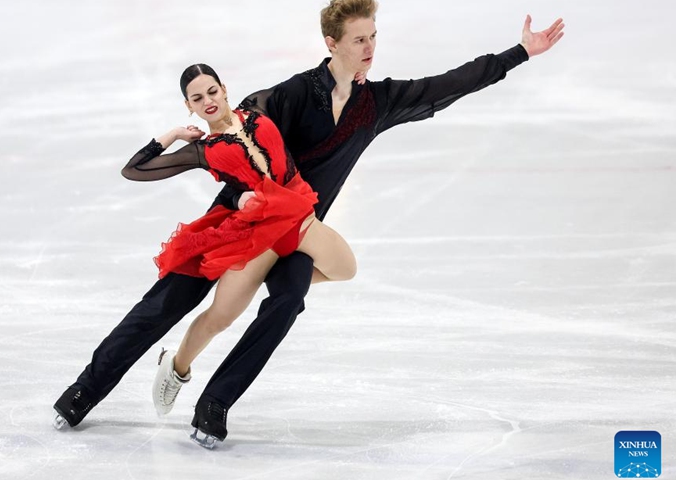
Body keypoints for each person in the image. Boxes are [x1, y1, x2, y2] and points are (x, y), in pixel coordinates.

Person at [53, 0, 565, 448]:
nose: (369, 47)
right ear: (332, 43)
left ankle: (214, 404)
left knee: (287, 300)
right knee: (164, 304)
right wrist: (196, 138)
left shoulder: (376, 105)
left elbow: (447, 84)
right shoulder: (295, 93)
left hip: (295, 230)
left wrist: (518, 53)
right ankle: (85, 390)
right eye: (359, 39)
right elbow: (241, 122)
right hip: (230, 222)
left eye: (373, 38)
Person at [117, 64, 357, 438]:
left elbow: (311, 88)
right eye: (197, 98)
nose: (208, 101)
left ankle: (271, 275)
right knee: (220, 318)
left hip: (298, 218)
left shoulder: (260, 109)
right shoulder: (202, 150)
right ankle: (176, 366)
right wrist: (174, 135)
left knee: (346, 269)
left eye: (212, 91)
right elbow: (135, 170)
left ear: (224, 89)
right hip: (257, 237)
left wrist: (346, 74)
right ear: (189, 105)